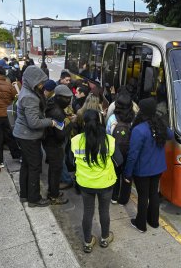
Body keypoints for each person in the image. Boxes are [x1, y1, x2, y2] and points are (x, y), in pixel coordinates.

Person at [71, 109, 121, 253]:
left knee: (87, 211)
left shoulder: (76, 140)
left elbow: (70, 162)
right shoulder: (109, 140)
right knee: (104, 211)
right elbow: (119, 160)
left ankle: (88, 242)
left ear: (84, 122)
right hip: (106, 183)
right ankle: (105, 238)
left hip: (85, 183)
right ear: (99, 122)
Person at [124, 98, 173, 233]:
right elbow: (171, 135)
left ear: (142, 111)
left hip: (142, 170)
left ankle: (140, 224)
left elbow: (133, 154)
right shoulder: (160, 125)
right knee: (154, 194)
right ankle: (154, 221)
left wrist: (127, 173)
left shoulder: (139, 130)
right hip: (158, 168)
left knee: (143, 196)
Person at [13, 65, 56, 207]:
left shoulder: (29, 90)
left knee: (26, 164)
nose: (42, 84)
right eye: (40, 81)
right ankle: (34, 198)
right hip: (28, 136)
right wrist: (50, 122)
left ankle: (25, 195)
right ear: (32, 81)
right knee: (34, 167)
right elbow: (34, 123)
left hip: (24, 135)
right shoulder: (29, 97)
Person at [43, 84, 73, 205]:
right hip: (54, 144)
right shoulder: (57, 112)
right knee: (56, 170)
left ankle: (52, 191)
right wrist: (71, 124)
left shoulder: (51, 104)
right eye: (67, 99)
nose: (69, 102)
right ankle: (54, 196)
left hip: (49, 142)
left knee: (53, 169)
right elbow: (60, 135)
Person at [0, 65, 21, 168]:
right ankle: (17, 155)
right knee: (10, 136)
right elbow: (15, 98)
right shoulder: (8, 85)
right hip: (6, 115)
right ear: (3, 73)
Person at [106, 93, 135, 205]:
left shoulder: (112, 118)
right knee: (127, 174)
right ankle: (124, 199)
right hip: (129, 150)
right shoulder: (133, 118)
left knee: (116, 174)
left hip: (115, 151)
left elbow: (108, 134)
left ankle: (114, 196)